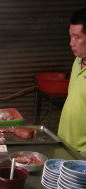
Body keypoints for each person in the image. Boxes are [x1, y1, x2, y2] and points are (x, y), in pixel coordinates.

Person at [58, 7, 86, 157]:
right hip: (65, 143)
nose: (71, 43)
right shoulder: (77, 61)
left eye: (77, 37)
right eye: (70, 36)